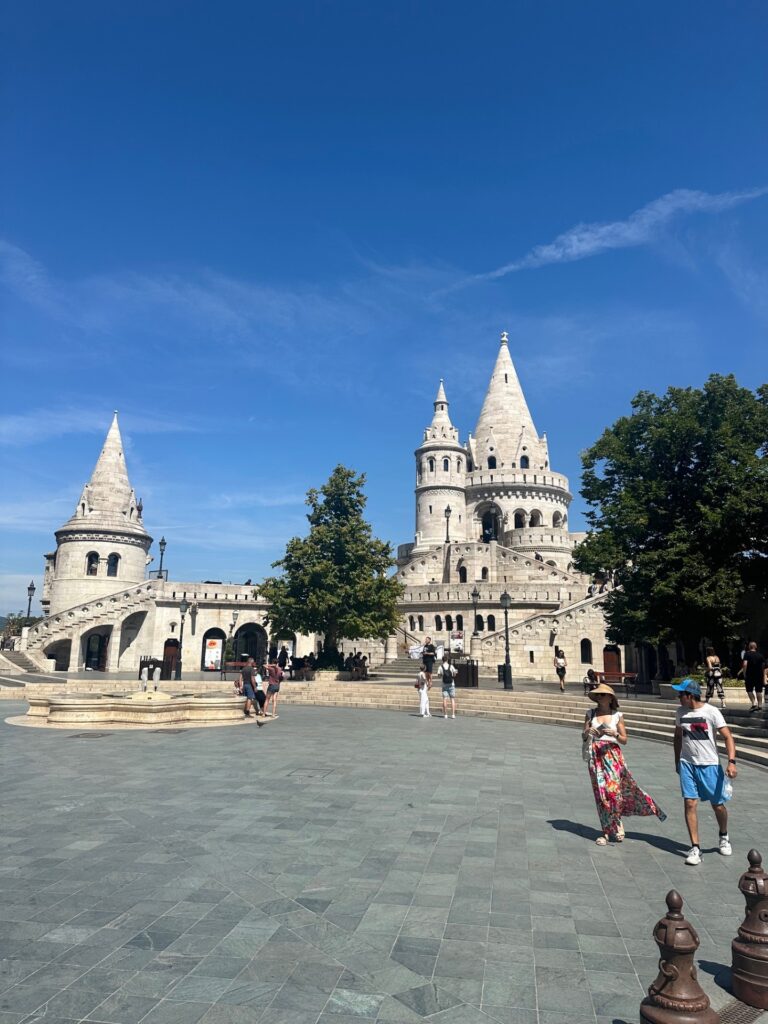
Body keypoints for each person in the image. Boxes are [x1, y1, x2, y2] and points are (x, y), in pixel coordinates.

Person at [582, 683, 666, 846]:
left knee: (613, 792)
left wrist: (615, 734)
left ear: (610, 698)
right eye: (598, 695)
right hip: (596, 754)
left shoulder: (617, 715)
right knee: (601, 794)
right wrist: (587, 732)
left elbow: (624, 740)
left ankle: (617, 822)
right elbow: (584, 735)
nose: (599, 697)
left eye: (602, 695)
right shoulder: (590, 713)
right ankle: (606, 831)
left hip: (612, 754)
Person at [672, 677, 737, 865]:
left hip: (710, 764)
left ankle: (723, 835)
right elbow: (677, 737)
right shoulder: (680, 712)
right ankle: (695, 847)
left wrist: (731, 762)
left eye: (681, 694)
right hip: (687, 764)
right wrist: (677, 760)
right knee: (690, 803)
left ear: (690, 695)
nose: (678, 697)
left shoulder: (711, 712)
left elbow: (728, 736)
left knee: (718, 805)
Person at [741, 642, 766, 712]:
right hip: (759, 675)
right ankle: (760, 705)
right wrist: (763, 675)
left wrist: (744, 673)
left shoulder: (747, 654)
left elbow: (745, 664)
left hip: (749, 675)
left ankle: (754, 703)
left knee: (749, 690)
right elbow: (763, 666)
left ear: (749, 647)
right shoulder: (760, 655)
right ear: (756, 647)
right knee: (759, 691)